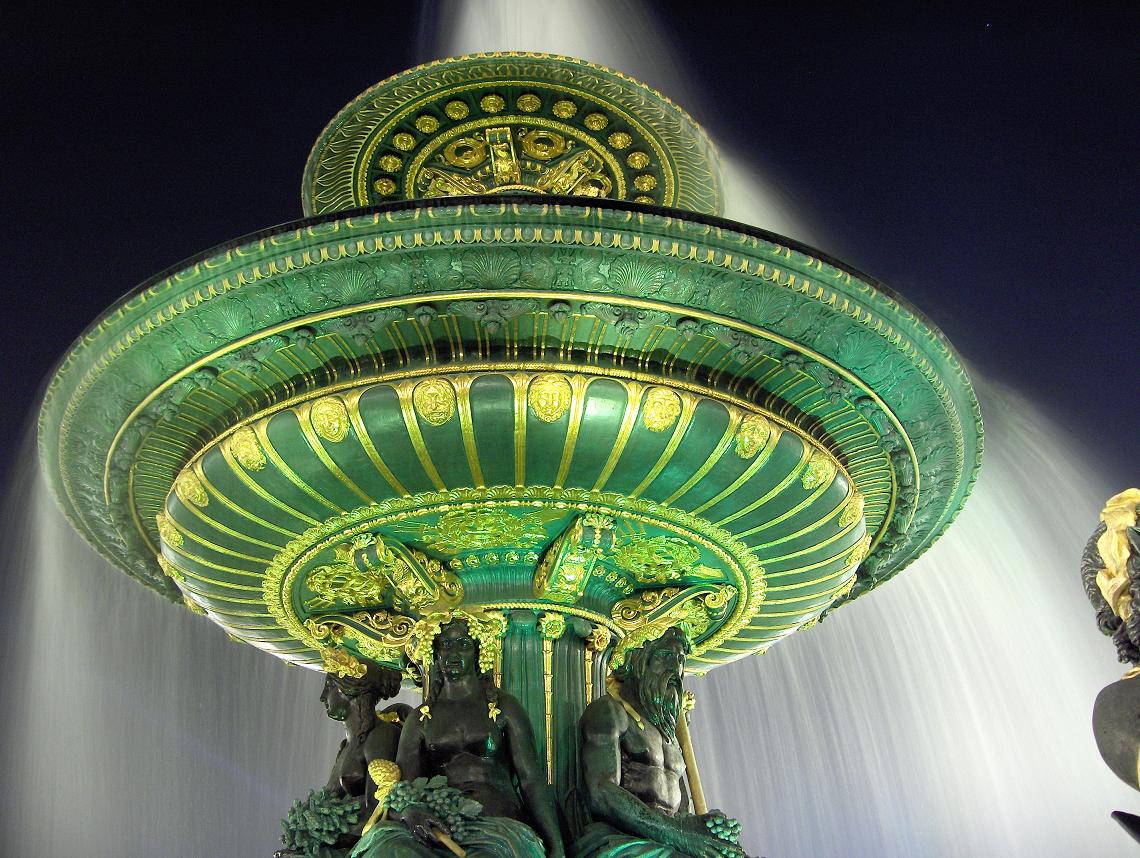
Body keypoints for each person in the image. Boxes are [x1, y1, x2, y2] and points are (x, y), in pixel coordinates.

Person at [352, 614, 566, 858]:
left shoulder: (504, 708)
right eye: (445, 644)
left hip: (496, 821)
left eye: (463, 644)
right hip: (438, 825)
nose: (453, 653)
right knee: (388, 850)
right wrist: (410, 813)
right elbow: (404, 789)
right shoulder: (420, 720)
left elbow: (531, 781)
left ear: (477, 652)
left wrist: (555, 843)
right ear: (435, 653)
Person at [576, 627, 747, 858]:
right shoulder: (610, 713)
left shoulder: (670, 734)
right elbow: (602, 793)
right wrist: (680, 837)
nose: (675, 668)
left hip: (667, 840)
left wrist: (700, 825)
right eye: (664, 656)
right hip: (620, 838)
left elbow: (678, 813)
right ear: (635, 662)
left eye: (680, 659)